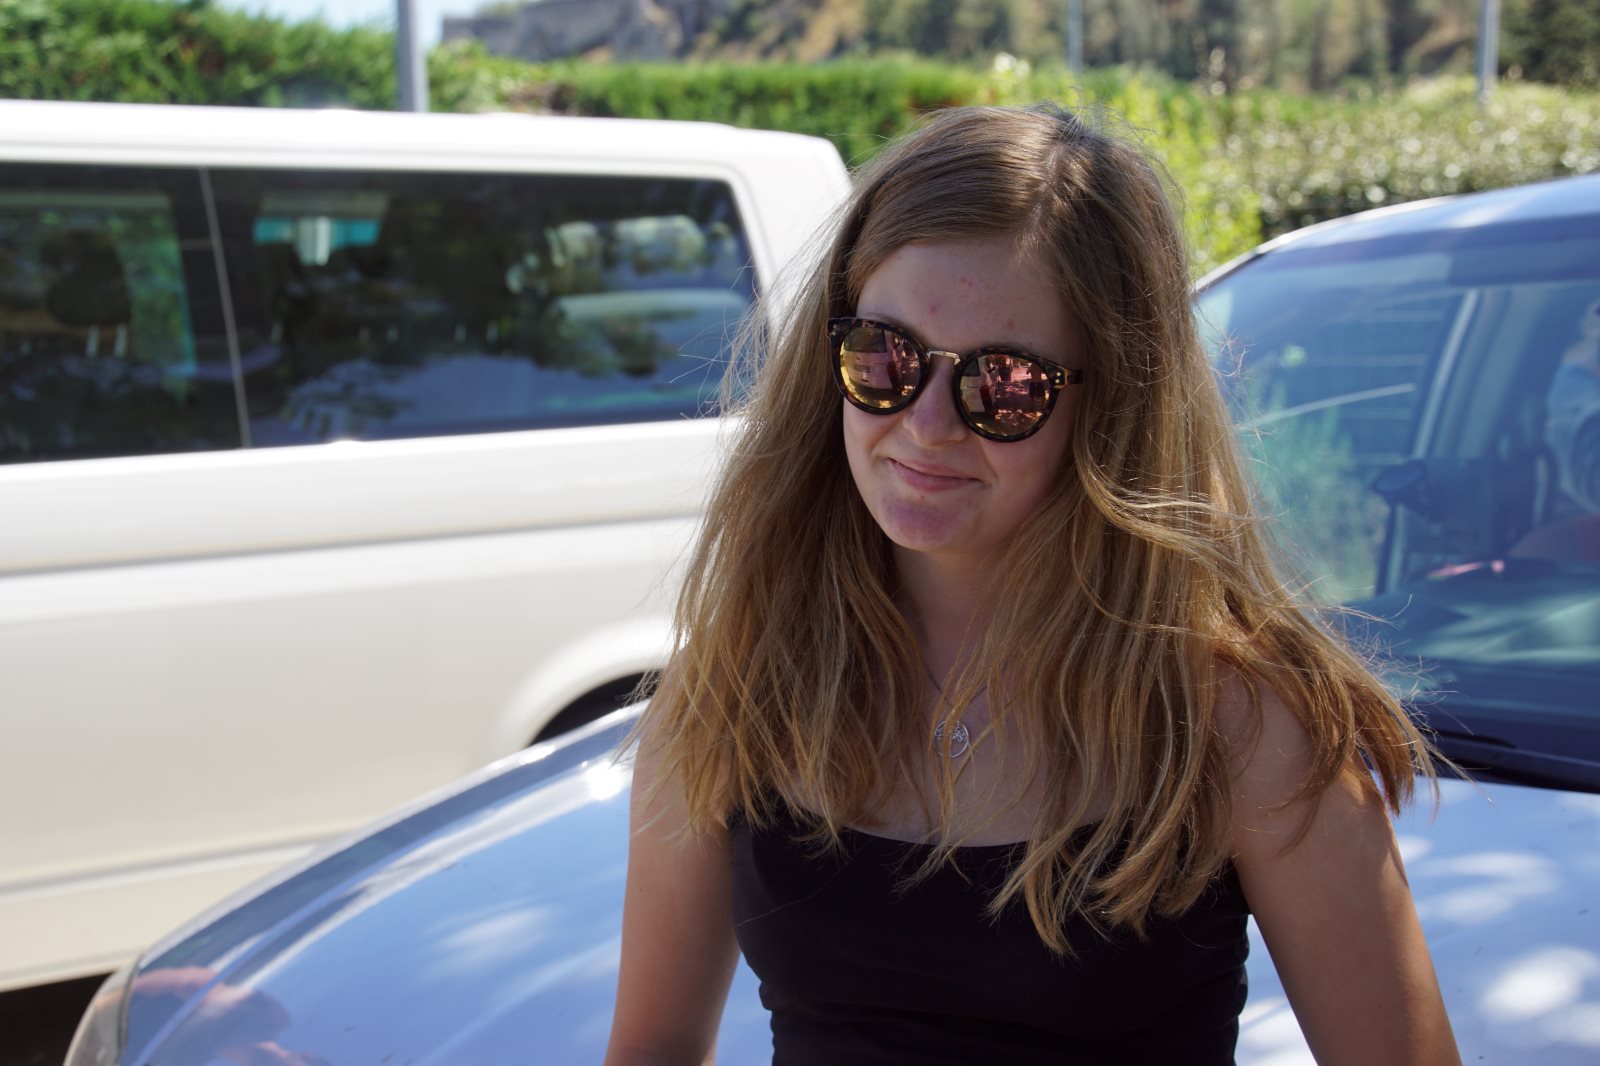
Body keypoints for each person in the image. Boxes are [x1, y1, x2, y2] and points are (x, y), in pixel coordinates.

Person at [604, 103, 1459, 1066]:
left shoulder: (1237, 723)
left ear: (1114, 408)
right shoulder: (734, 686)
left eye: (1006, 384)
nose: (927, 424)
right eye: (884, 355)